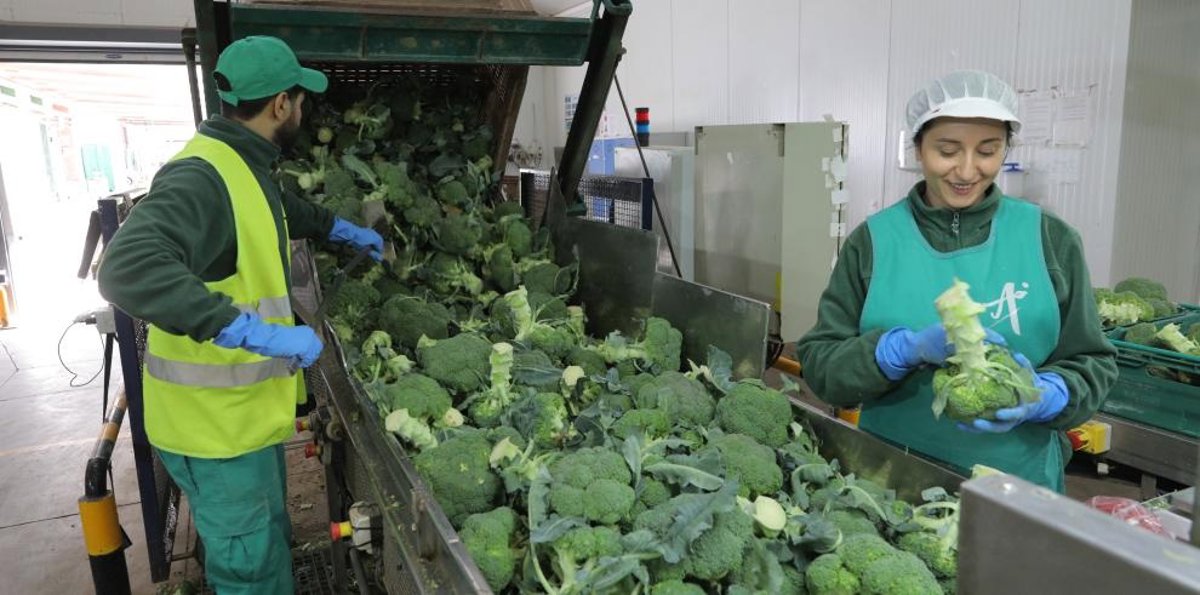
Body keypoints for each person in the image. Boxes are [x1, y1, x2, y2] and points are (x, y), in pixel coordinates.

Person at [97, 36, 383, 594]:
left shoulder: (240, 160)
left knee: (267, 546)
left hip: (241, 423)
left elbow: (277, 208)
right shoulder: (201, 178)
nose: (303, 110)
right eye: (300, 100)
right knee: (251, 574)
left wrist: (339, 229)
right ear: (281, 104)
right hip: (213, 433)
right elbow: (124, 268)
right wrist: (251, 332)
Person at [795, 70, 1117, 492]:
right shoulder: (873, 242)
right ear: (918, 149)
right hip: (890, 481)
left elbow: (1094, 363)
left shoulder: (1050, 239)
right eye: (947, 151)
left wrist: (1049, 394)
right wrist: (896, 352)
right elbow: (821, 366)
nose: (967, 170)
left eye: (988, 150)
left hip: (1018, 486)